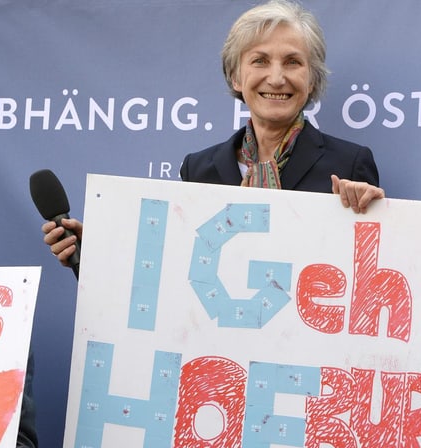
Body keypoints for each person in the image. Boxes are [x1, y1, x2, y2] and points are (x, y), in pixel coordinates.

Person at [42, 0, 385, 265]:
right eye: (260, 61)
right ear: (236, 77)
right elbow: (174, 271)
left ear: (311, 80)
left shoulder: (349, 165)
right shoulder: (199, 169)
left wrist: (372, 216)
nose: (277, 78)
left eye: (293, 62)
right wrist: (90, 256)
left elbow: (373, 279)